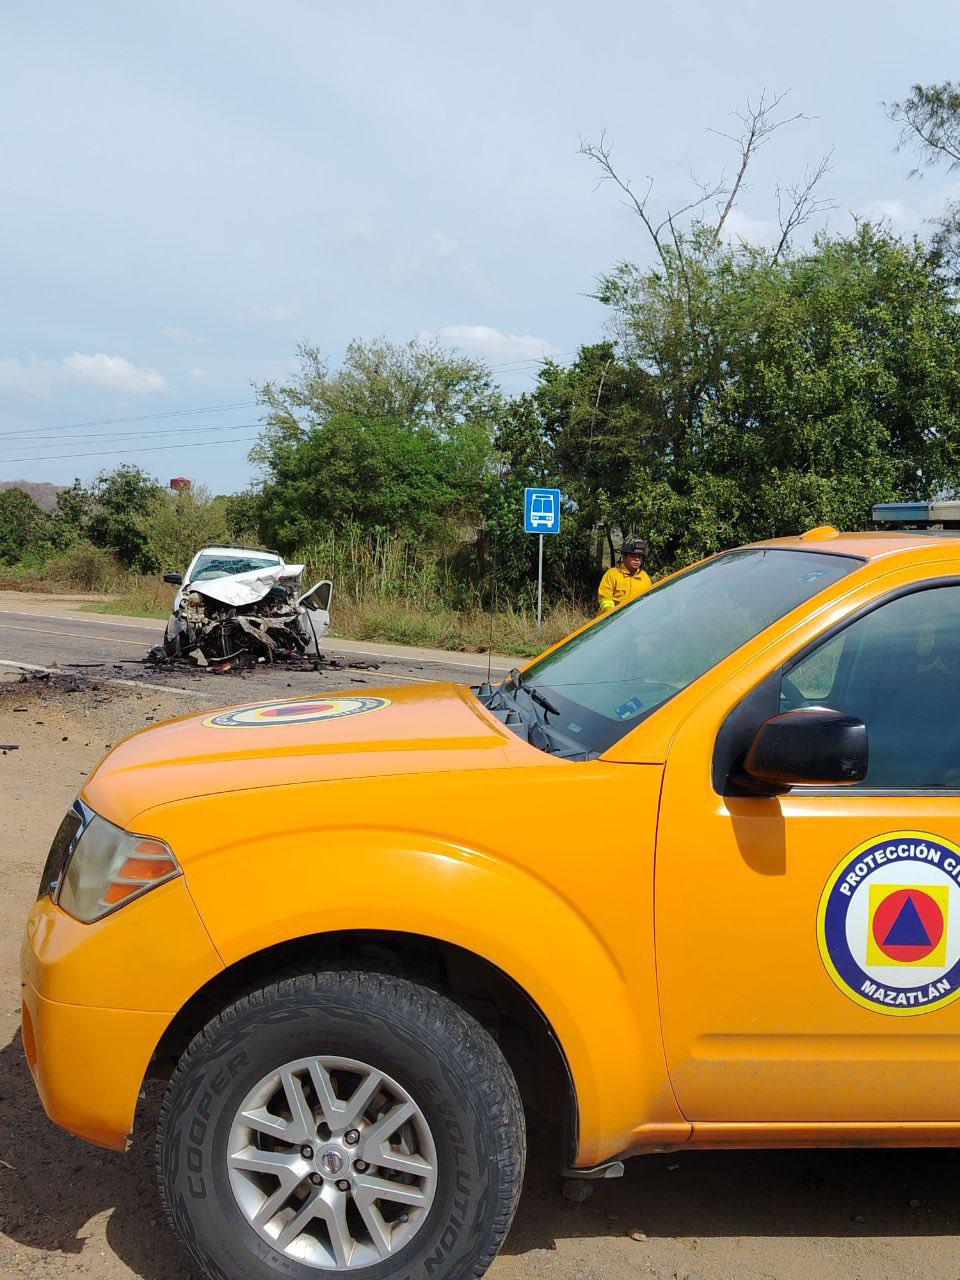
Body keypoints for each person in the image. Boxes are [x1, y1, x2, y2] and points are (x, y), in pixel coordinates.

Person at [597, 537, 652, 614]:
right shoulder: (612, 575)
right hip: (611, 621)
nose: (636, 560)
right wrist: (612, 614)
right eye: (633, 556)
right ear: (624, 556)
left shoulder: (645, 578)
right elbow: (605, 599)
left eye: (639, 557)